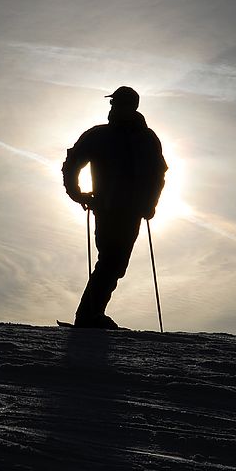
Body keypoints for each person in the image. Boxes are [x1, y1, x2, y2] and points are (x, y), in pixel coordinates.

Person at [62, 86, 167, 328]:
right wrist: (77, 194)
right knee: (111, 260)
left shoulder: (145, 139)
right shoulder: (103, 135)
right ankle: (89, 315)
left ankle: (91, 314)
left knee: (115, 263)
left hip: (130, 210)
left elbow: (158, 174)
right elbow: (72, 163)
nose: (112, 108)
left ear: (131, 107)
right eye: (113, 104)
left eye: (117, 103)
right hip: (108, 207)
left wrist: (150, 204)